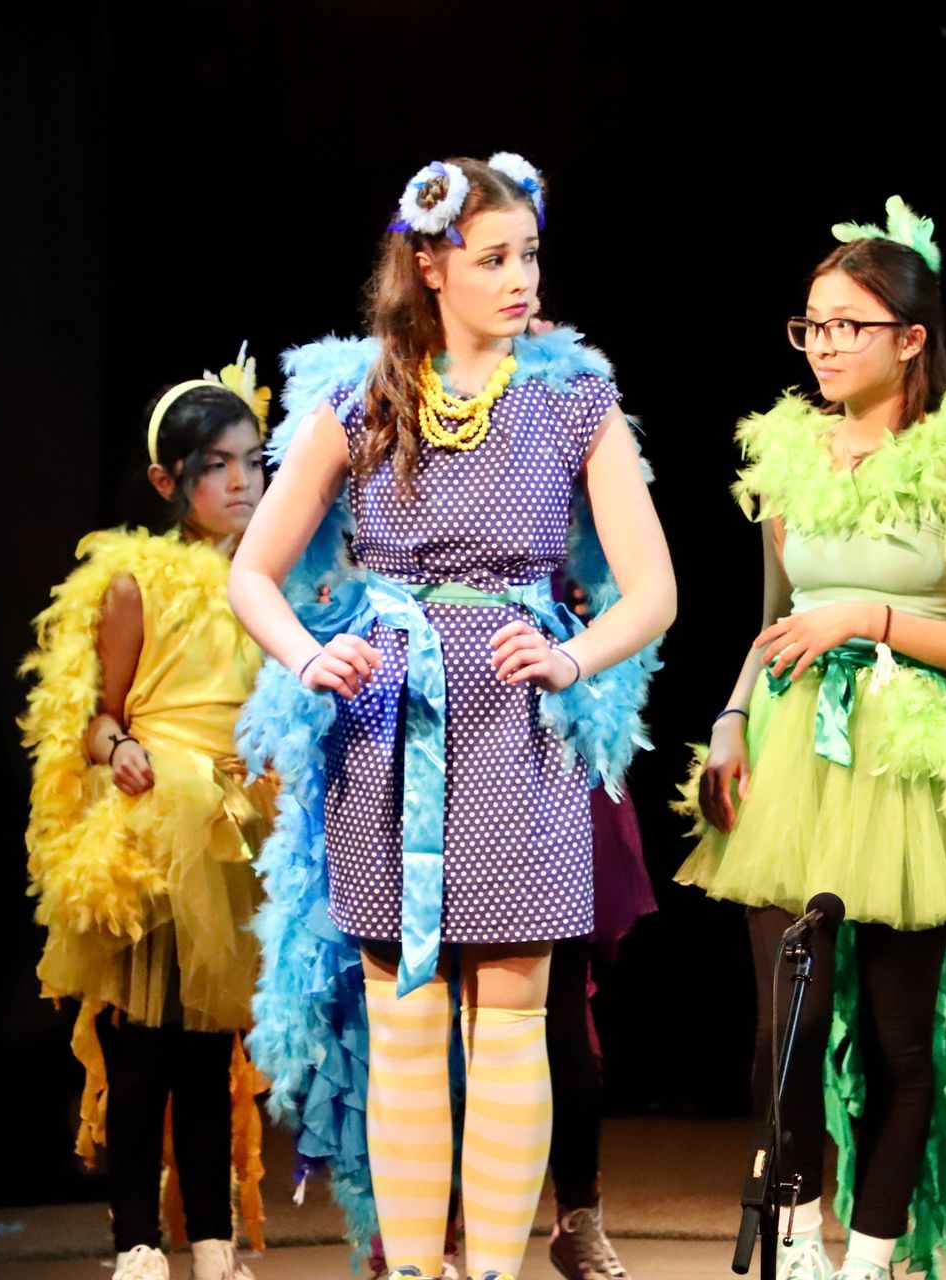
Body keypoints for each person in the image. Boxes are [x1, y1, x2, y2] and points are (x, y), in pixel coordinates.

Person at [229, 153, 675, 1280]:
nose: (521, 276)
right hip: (388, 726)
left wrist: (573, 655)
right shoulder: (359, 397)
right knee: (407, 1014)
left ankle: (492, 1272)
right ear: (429, 266)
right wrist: (308, 651)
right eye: (493, 258)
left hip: (517, 733)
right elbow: (254, 572)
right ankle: (418, 1267)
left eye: (529, 253)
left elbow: (655, 586)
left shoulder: (574, 402)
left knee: (515, 1013)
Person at [674, 198, 946, 1280]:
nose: (825, 345)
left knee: (901, 1038)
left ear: (911, 337)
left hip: (909, 760)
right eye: (812, 324)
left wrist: (871, 617)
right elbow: (769, 624)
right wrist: (725, 722)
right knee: (786, 1029)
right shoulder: (787, 456)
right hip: (794, 747)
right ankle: (798, 1239)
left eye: (850, 324)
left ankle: (874, 1253)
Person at [20, 353, 278, 1280]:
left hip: (236, 826)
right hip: (157, 823)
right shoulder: (139, 583)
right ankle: (136, 1241)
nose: (242, 481)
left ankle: (211, 1240)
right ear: (171, 480)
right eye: (217, 464)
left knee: (211, 1054)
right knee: (143, 1057)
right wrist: (115, 748)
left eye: (252, 458)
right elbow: (98, 712)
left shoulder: (278, 577)